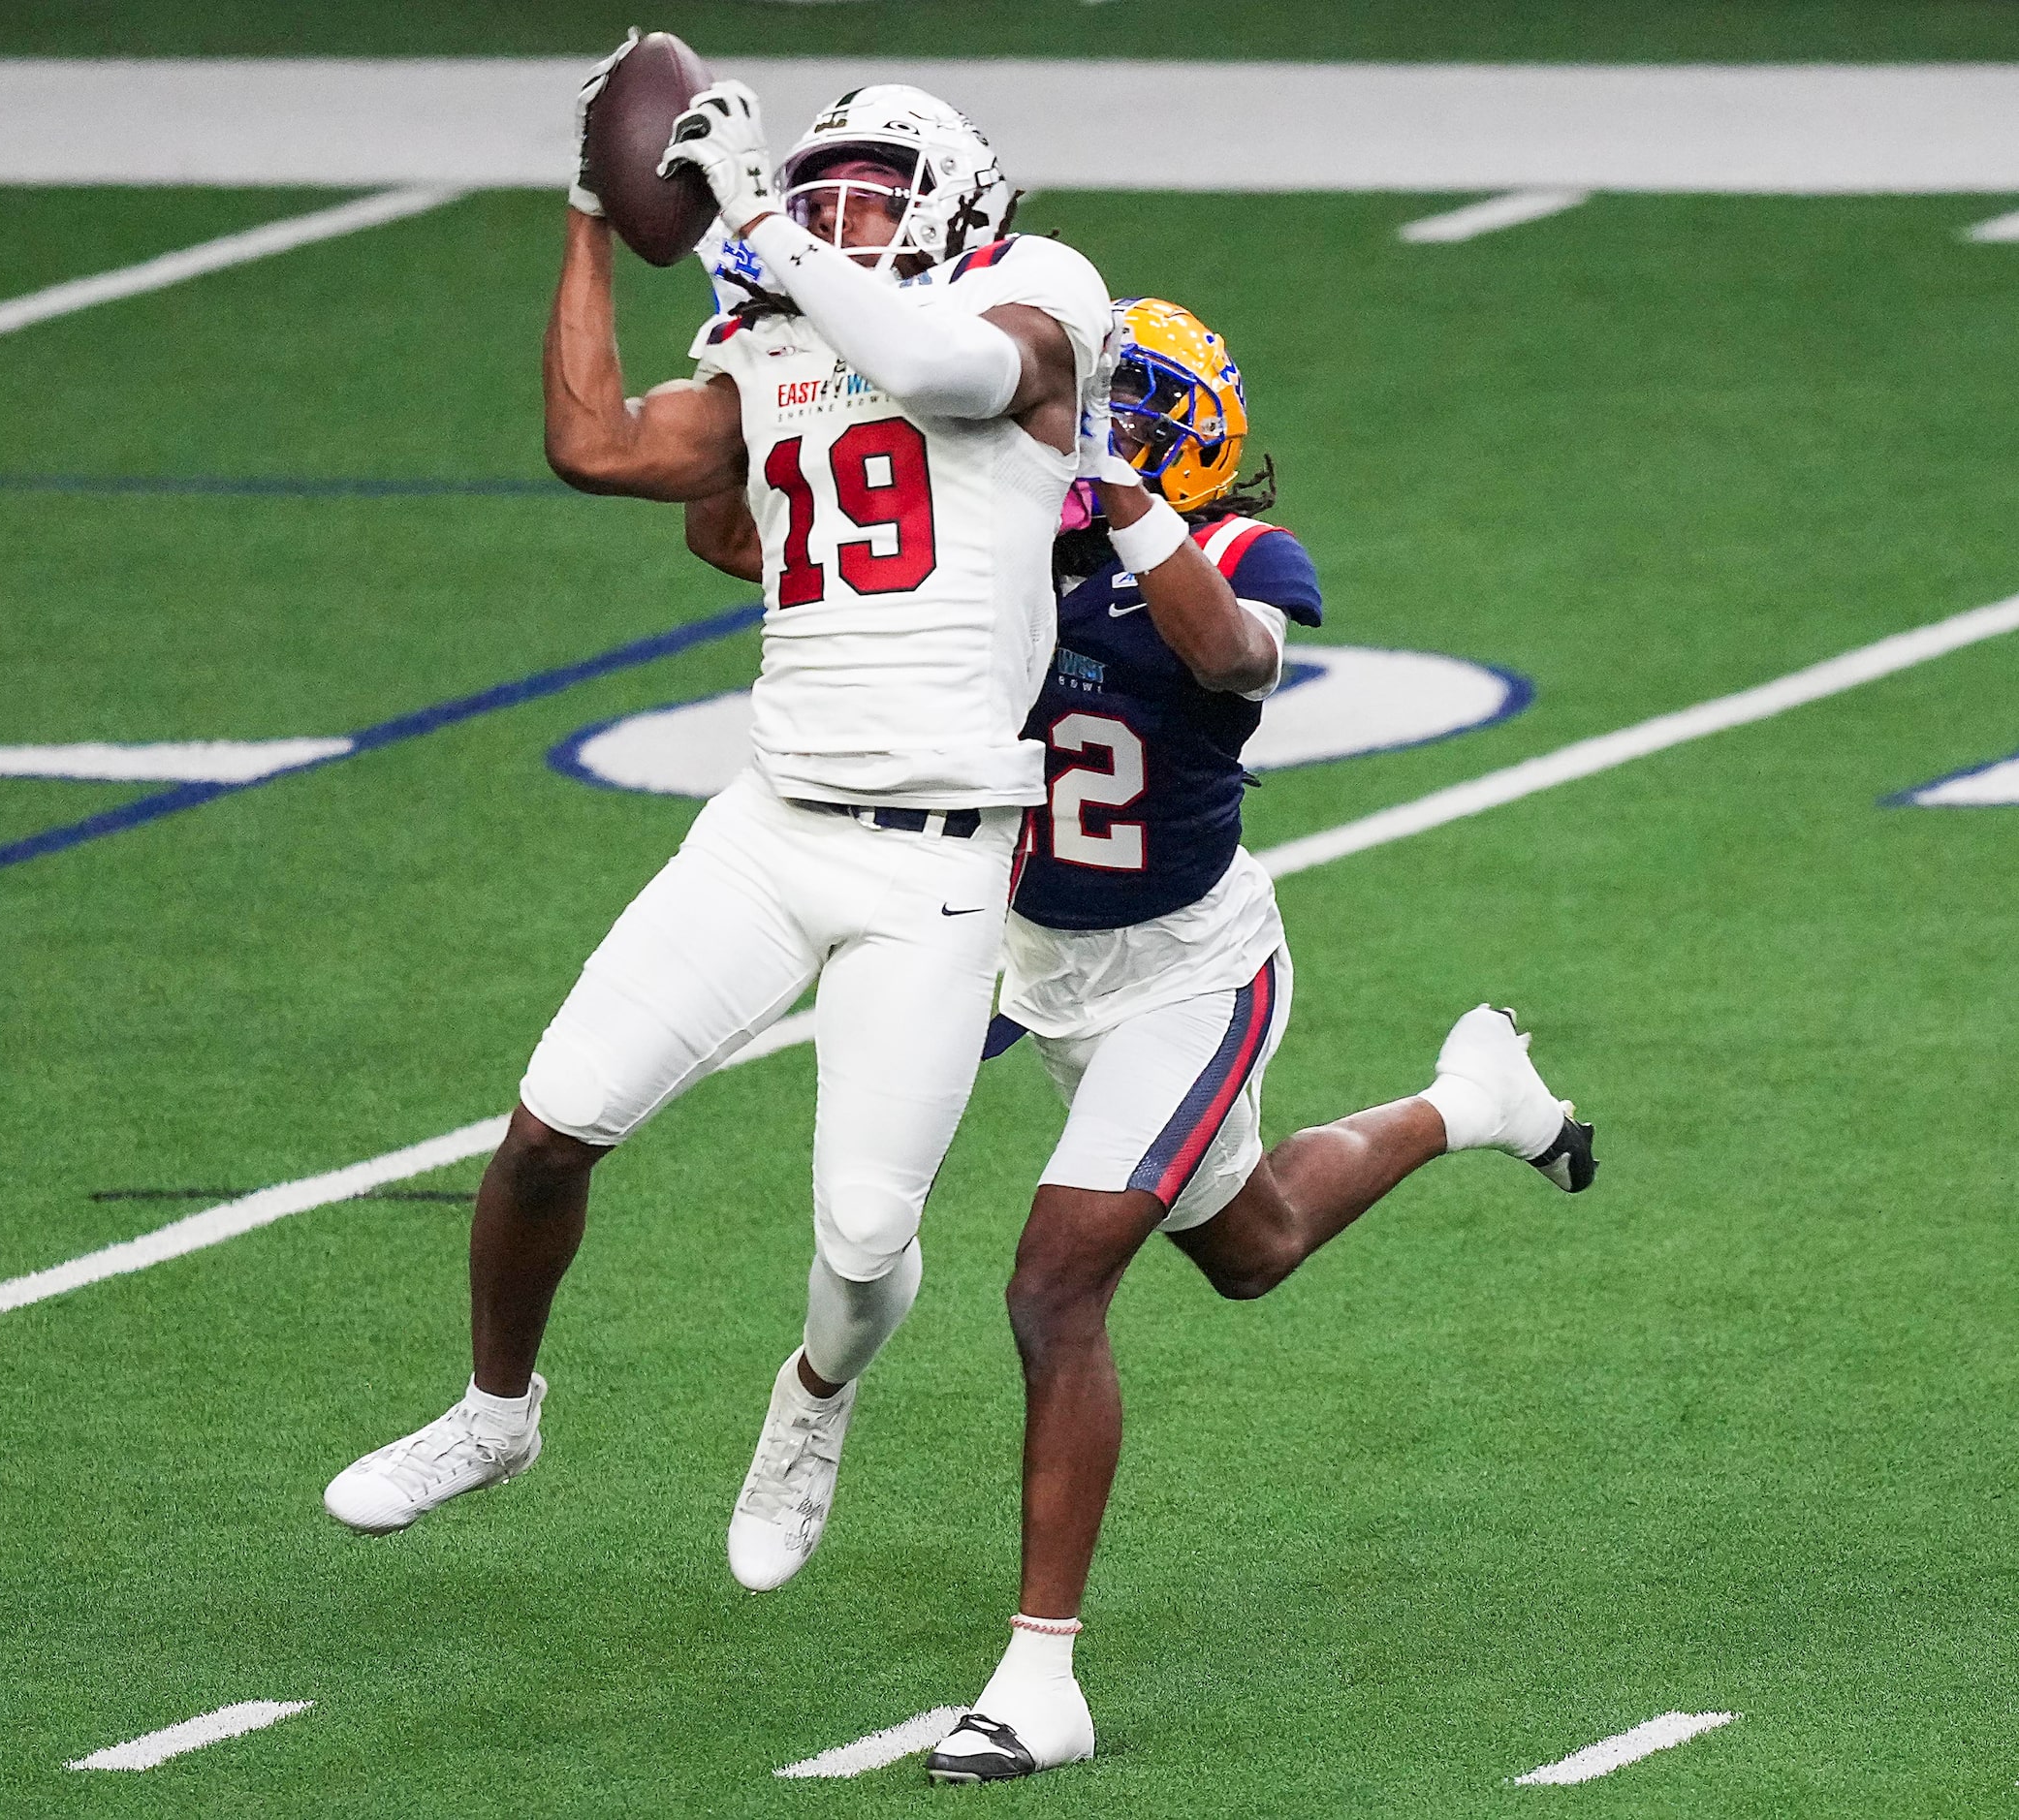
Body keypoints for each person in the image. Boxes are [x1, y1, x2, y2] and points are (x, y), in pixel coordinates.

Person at [322, 56, 1119, 1596]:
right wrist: (586, 210)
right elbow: (599, 446)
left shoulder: (1036, 294)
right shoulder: (773, 330)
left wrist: (763, 219)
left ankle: (813, 1401)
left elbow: (951, 380)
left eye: (866, 194)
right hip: (768, 826)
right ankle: (495, 1412)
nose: (831, 217)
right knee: (550, 1127)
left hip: (937, 863)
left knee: (865, 1242)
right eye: (815, 190)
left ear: (953, 205)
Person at [906, 299, 1598, 1783]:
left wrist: (1129, 498)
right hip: (1031, 962)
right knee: (1253, 1243)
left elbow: (1229, 663)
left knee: (1051, 1283)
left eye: (1133, 407)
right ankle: (1473, 1097)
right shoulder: (1008, 537)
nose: (1101, 424)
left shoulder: (1232, 551)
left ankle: (1039, 1680)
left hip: (1186, 973)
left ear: (1197, 431)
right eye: (1095, 401)